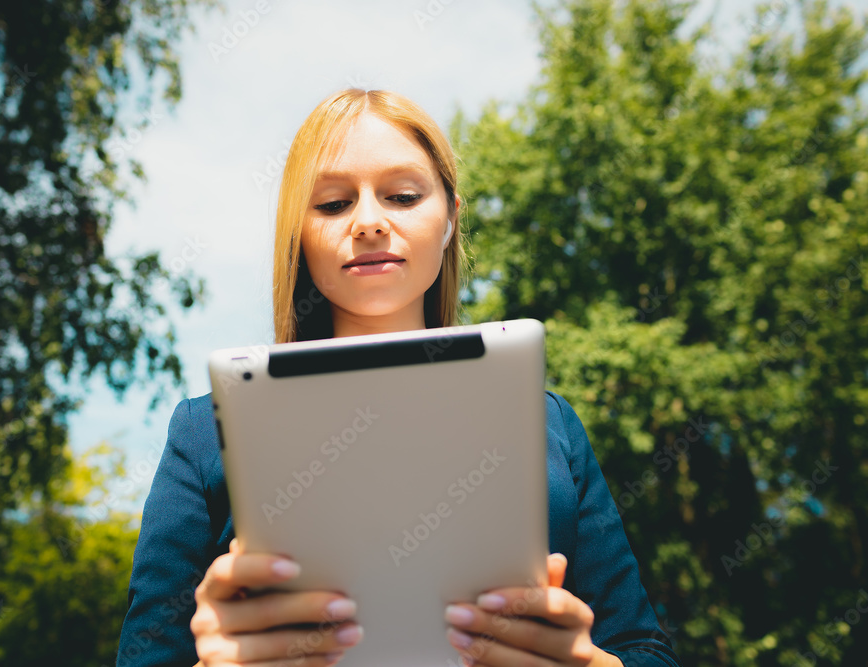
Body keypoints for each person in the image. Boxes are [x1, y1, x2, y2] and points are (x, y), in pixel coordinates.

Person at [117, 89, 681, 667]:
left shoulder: (550, 422)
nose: (367, 223)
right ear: (298, 235)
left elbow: (643, 648)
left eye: (403, 196)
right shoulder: (203, 432)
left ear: (449, 219)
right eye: (333, 204)